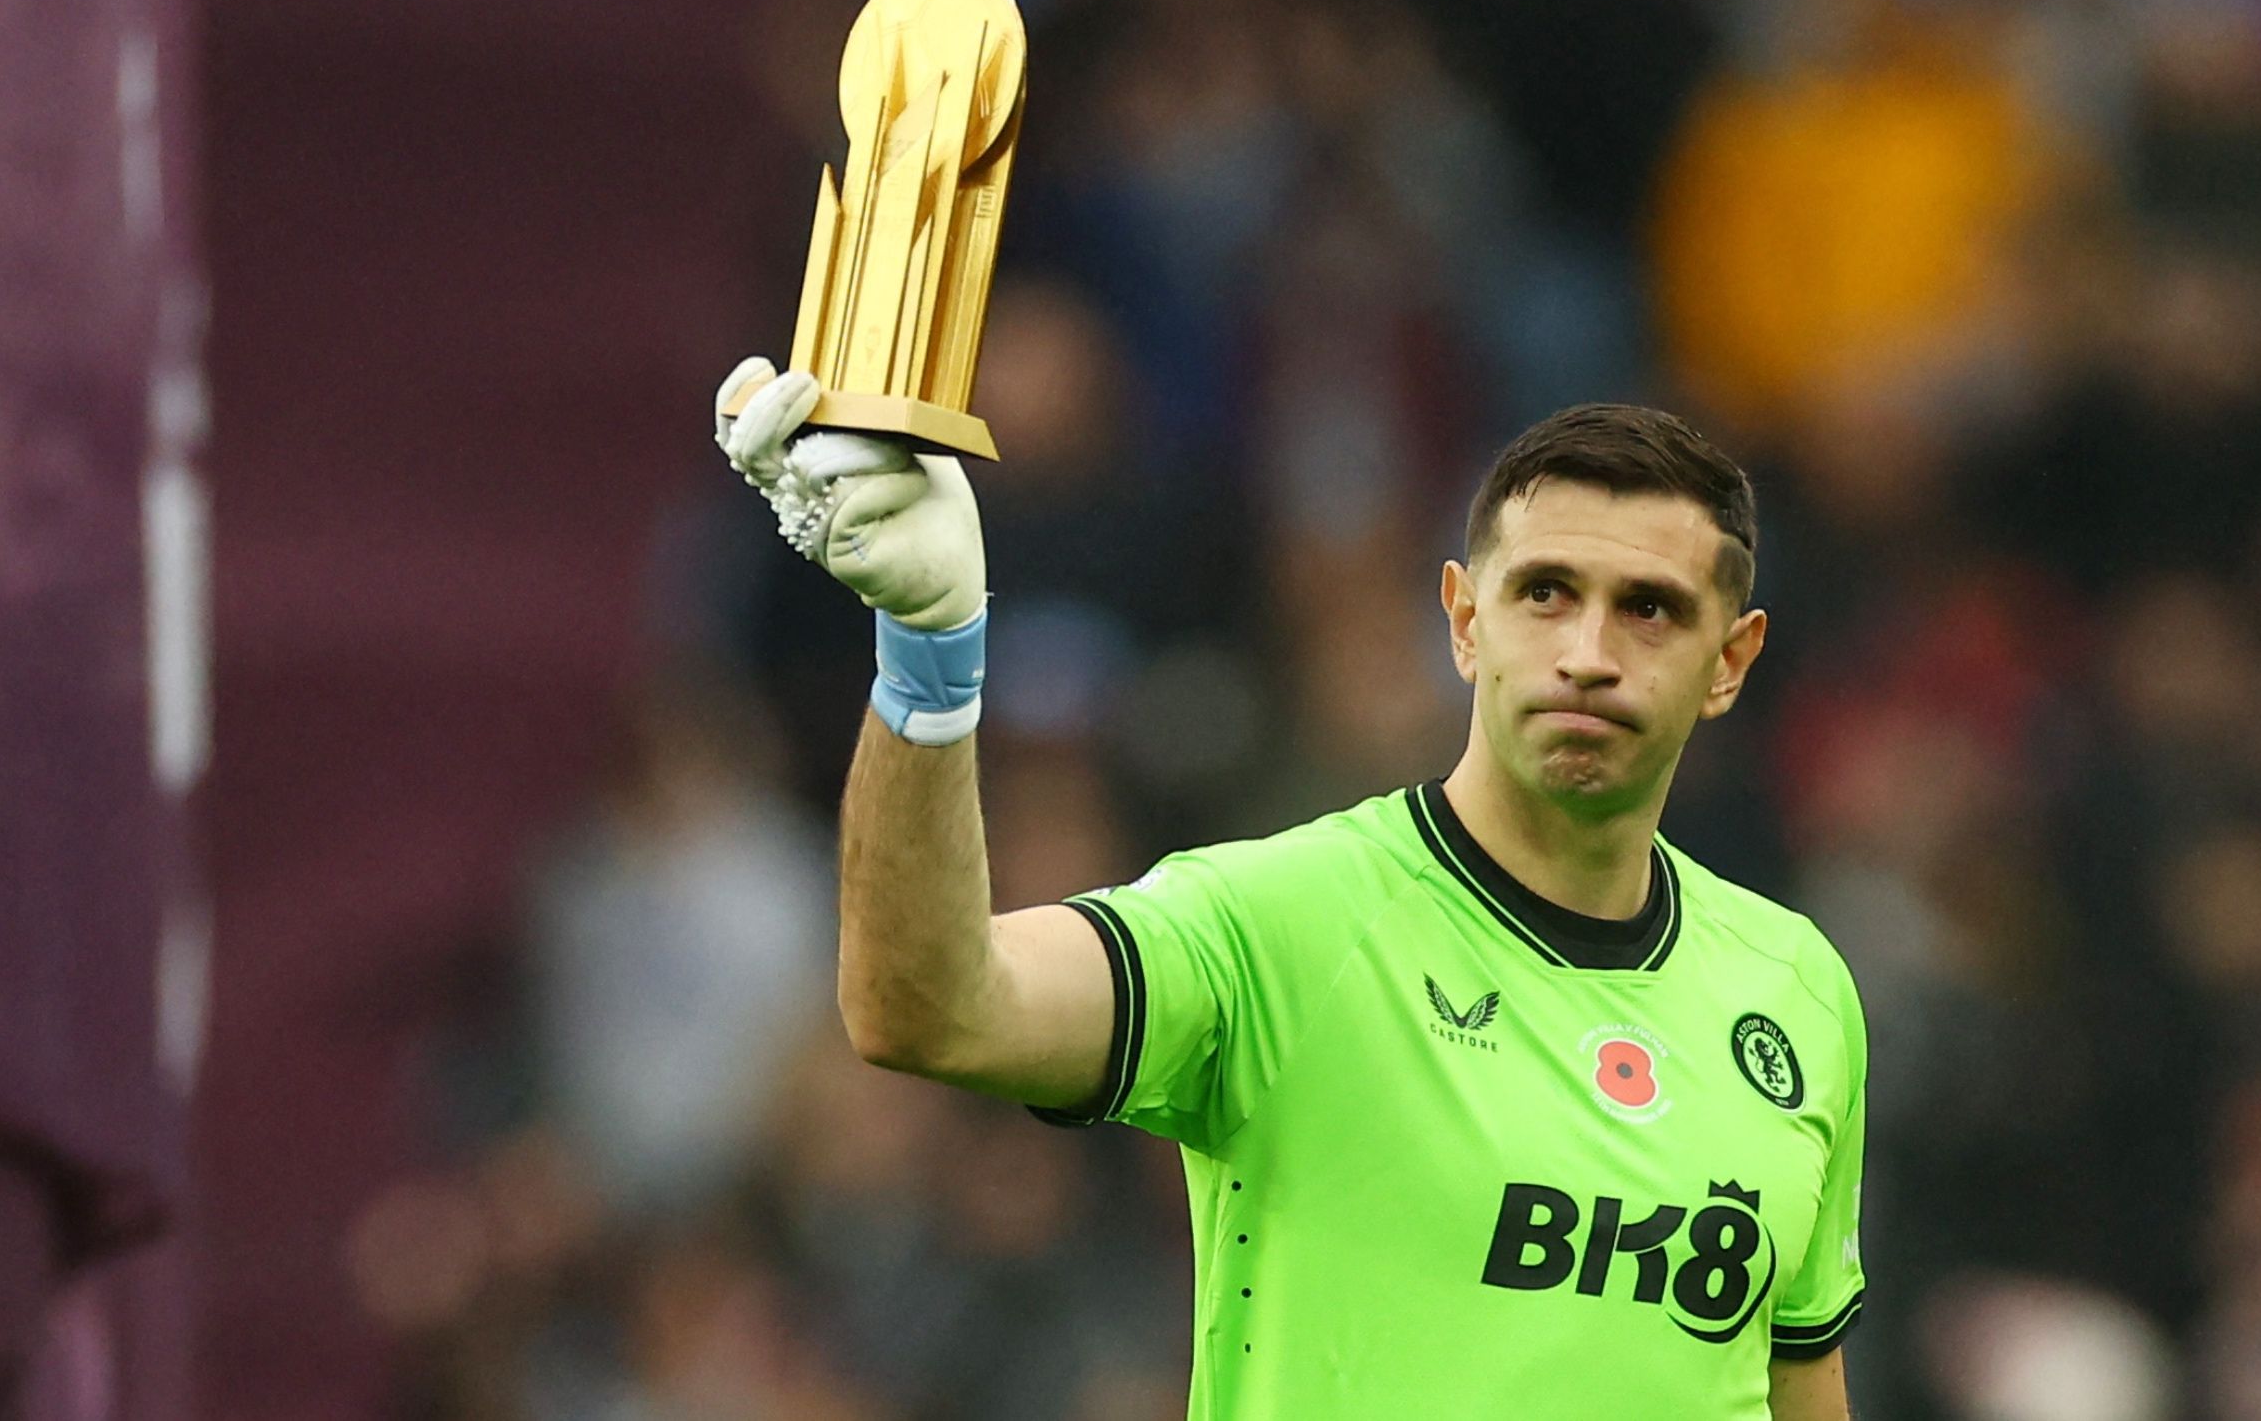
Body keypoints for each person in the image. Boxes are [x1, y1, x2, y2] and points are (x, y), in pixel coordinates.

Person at [710, 358, 1870, 1420]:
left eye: (1650, 608)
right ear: (1465, 622)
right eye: (1546, 593)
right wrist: (929, 653)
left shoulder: (1798, 993)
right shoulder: (1284, 924)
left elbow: (1796, 1385)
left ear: (1732, 661)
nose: (1589, 651)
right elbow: (925, 1006)